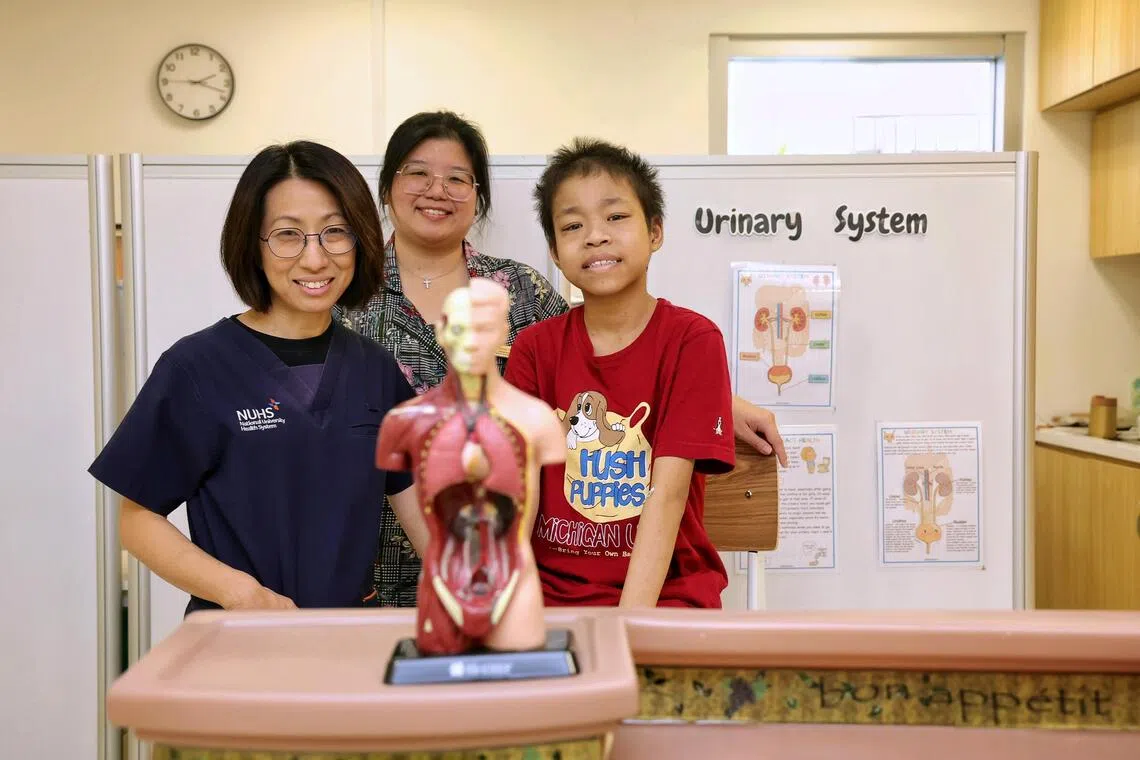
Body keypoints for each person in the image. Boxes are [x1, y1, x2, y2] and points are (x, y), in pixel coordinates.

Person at [337, 110, 787, 608]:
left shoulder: (522, 293)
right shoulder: (347, 296)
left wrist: (720, 401)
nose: (436, 189)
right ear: (386, 187)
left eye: (457, 178)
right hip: (389, 564)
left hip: (598, 583)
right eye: (418, 173)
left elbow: (622, 348)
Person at [88, 140, 424, 614]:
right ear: (252, 244)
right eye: (288, 235)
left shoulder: (376, 370)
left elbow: (419, 511)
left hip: (347, 637)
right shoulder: (197, 367)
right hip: (238, 638)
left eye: (335, 232)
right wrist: (236, 592)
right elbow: (137, 518)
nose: (314, 259)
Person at [503, 137, 738, 609]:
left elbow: (668, 495)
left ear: (655, 232)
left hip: (665, 596)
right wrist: (513, 601)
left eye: (615, 217)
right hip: (553, 598)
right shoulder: (534, 347)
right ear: (554, 250)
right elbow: (518, 489)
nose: (595, 236)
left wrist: (629, 627)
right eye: (573, 225)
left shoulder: (693, 340)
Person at [375, 278, 563, 654]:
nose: (472, 341)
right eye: (460, 329)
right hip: (442, 583)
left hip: (517, 581)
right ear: (442, 332)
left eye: (484, 328)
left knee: (520, 662)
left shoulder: (537, 420)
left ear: (503, 332)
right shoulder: (404, 424)